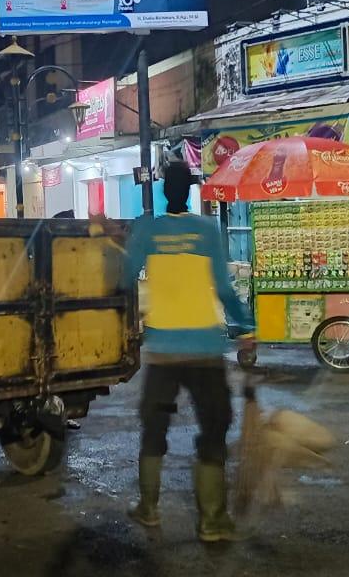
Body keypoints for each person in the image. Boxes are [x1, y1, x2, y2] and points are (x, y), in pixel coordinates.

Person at [123, 161, 255, 543]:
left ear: (165, 191)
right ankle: (212, 521)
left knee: (154, 431)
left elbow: (123, 274)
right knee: (213, 430)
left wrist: (105, 235)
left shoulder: (148, 230)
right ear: (192, 190)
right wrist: (247, 330)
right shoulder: (207, 231)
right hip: (205, 351)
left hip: (163, 351)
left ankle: (148, 509)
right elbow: (225, 289)